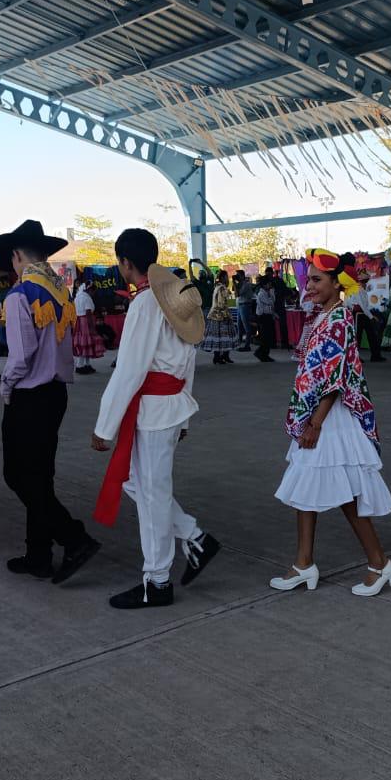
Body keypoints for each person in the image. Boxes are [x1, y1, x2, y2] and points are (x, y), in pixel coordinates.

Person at [91, 229, 221, 609]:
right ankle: (194, 537)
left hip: (152, 410)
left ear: (124, 262)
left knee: (151, 495)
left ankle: (158, 580)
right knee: (140, 485)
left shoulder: (147, 304)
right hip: (169, 406)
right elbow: (187, 363)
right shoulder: (174, 299)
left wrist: (104, 426)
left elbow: (129, 370)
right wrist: (184, 416)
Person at [269, 250, 391, 597]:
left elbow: (335, 377)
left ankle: (379, 563)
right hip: (319, 414)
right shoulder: (323, 315)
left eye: (316, 279)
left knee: (347, 493)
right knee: (306, 488)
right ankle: (304, 563)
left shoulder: (339, 318)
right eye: (308, 279)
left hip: (330, 417)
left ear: (338, 284)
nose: (308, 285)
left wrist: (315, 423)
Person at [0, 220, 100, 583]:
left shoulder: (19, 295)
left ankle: (74, 538)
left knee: (18, 475)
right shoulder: (61, 292)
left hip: (29, 396)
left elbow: (21, 356)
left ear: (16, 255)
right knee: (40, 477)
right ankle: (38, 554)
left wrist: (6, 386)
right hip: (55, 394)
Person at [71, 275, 105, 375]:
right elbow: (88, 313)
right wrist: (92, 327)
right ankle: (80, 366)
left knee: (83, 344)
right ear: (90, 290)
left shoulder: (77, 297)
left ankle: (86, 364)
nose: (94, 293)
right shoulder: (86, 298)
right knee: (85, 344)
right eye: (93, 291)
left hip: (78, 321)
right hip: (85, 322)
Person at [201, 269, 236, 365]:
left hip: (215, 315)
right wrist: (227, 315)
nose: (228, 278)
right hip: (221, 316)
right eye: (226, 276)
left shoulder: (217, 287)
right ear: (223, 277)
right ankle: (221, 356)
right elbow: (223, 303)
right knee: (224, 336)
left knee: (219, 337)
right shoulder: (222, 288)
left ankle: (220, 356)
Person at [254, 277, 277, 362]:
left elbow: (273, 301)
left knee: (269, 336)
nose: (270, 285)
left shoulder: (268, 292)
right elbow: (269, 302)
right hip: (263, 316)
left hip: (268, 316)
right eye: (268, 284)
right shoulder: (261, 294)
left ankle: (264, 354)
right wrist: (271, 293)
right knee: (265, 336)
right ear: (264, 285)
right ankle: (261, 353)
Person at [234, 271, 256, 351]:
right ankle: (239, 344)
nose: (236, 277)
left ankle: (247, 345)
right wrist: (235, 283)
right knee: (239, 326)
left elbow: (238, 294)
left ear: (242, 276)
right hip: (240, 306)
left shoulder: (246, 284)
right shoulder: (239, 284)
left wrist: (234, 282)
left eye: (238, 275)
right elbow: (235, 292)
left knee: (246, 326)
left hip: (245, 305)